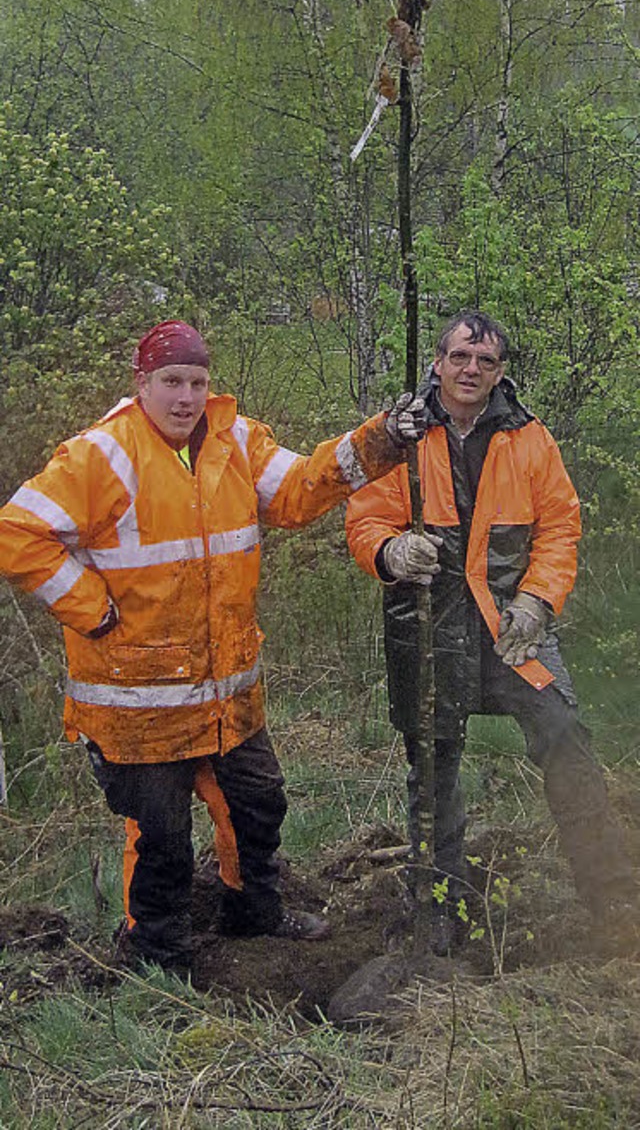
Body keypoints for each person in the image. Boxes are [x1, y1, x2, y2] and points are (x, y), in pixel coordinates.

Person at [0, 318, 427, 977]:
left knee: (259, 803)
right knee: (162, 836)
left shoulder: (237, 441)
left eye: (197, 381)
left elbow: (300, 487)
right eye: (171, 380)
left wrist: (380, 440)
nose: (186, 396)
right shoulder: (101, 455)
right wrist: (93, 610)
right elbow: (19, 531)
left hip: (228, 691)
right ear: (142, 383)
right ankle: (157, 957)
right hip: (137, 702)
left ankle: (253, 910)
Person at [346, 309, 637, 955]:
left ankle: (613, 895)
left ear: (499, 370)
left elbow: (561, 526)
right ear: (437, 364)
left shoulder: (530, 437)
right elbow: (363, 519)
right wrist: (391, 553)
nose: (471, 370)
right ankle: (439, 908)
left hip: (512, 630)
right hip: (429, 627)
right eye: (459, 358)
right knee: (434, 762)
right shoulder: (400, 435)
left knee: (565, 732)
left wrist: (537, 599)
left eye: (485, 361)